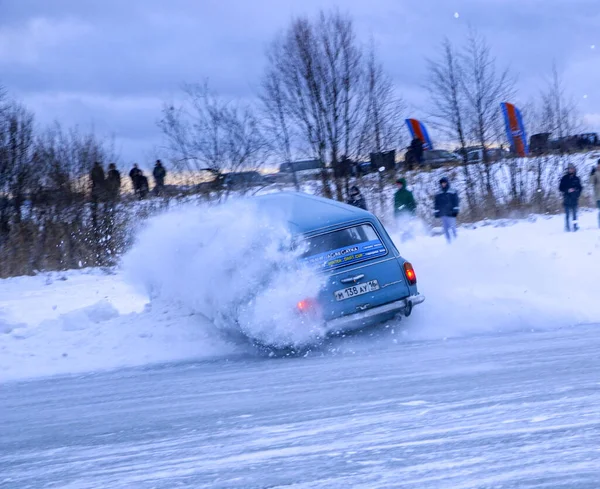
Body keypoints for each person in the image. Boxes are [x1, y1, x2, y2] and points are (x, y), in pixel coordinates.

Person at [434, 177, 459, 243]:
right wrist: (436, 212)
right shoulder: (438, 193)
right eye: (442, 183)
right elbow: (436, 204)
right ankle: (449, 242)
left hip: (451, 213)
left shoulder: (453, 191)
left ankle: (457, 241)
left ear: (447, 183)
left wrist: (456, 210)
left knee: (453, 228)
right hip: (443, 214)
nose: (443, 184)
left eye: (444, 183)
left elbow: (456, 201)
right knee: (445, 229)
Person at [559, 163, 582, 232]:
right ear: (568, 170)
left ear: (574, 170)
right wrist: (567, 190)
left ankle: (575, 226)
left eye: (572, 169)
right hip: (567, 198)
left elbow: (580, 188)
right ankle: (567, 227)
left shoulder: (577, 178)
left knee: (575, 215)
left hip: (574, 199)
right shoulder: (564, 178)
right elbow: (560, 188)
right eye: (570, 169)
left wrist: (576, 193)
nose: (571, 170)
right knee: (567, 215)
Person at [591, 160, 600, 228]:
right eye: (599, 165)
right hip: (598, 196)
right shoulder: (595, 172)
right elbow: (591, 182)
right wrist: (592, 174)